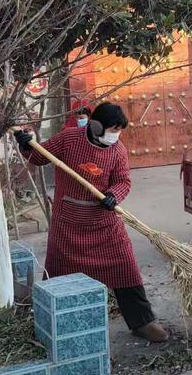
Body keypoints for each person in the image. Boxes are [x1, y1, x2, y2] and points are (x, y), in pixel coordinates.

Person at [15, 102, 169, 342]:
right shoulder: (69, 138)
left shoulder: (118, 150)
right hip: (68, 225)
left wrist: (113, 196)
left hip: (104, 224)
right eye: (112, 129)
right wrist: (27, 145)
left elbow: (123, 182)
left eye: (119, 131)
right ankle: (55, 320)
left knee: (126, 269)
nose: (115, 135)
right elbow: (39, 156)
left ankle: (142, 322)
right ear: (97, 126)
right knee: (58, 274)